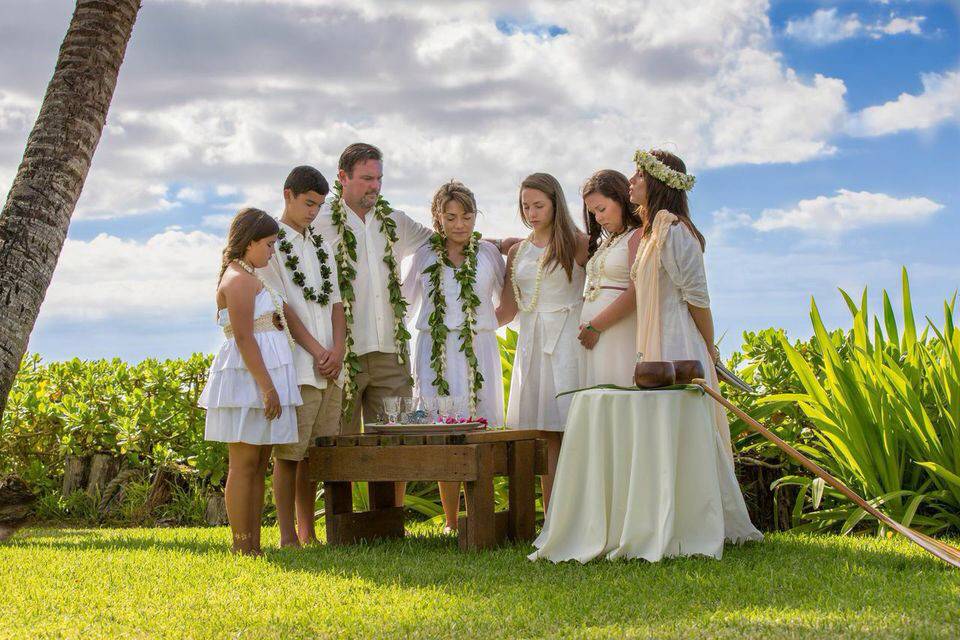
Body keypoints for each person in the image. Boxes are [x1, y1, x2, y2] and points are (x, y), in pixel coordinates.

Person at [628, 148, 761, 541]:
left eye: (638, 175)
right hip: (655, 342)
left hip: (678, 342)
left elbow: (697, 297)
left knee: (684, 429)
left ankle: (697, 519)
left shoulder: (676, 232)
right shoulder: (652, 232)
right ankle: (664, 516)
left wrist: (709, 348)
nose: (631, 182)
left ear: (656, 182)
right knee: (660, 429)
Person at [199, 207, 330, 555]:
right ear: (251, 242)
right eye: (269, 245)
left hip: (264, 374)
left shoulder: (253, 275)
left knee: (259, 463)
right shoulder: (238, 280)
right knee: (243, 463)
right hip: (248, 379)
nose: (273, 252)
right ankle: (241, 544)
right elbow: (244, 337)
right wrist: (267, 387)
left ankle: (253, 542)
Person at [312, 143, 434, 505]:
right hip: (342, 353)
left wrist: (497, 244)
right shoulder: (319, 224)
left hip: (390, 351)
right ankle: (341, 521)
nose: (375, 186)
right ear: (342, 178)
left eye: (379, 178)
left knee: (395, 440)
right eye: (367, 178)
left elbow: (443, 242)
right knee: (339, 441)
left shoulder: (395, 221)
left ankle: (390, 522)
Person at [404, 180, 505, 531]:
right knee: (444, 429)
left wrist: (483, 327)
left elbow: (509, 302)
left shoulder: (490, 254)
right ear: (438, 218)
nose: (460, 224)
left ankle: (479, 518)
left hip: (478, 348)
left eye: (467, 216)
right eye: (451, 217)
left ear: (476, 216)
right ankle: (450, 521)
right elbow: (404, 301)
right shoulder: (424, 256)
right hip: (436, 352)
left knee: (478, 427)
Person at [258, 166, 346, 548]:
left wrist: (338, 350)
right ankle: (287, 534)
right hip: (300, 365)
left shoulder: (322, 245)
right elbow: (284, 307)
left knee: (316, 455)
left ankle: (311, 531)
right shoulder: (272, 246)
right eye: (309, 203)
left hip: (331, 367)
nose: (313, 211)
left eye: (320, 205)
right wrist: (316, 350)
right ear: (288, 195)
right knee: (290, 455)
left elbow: (338, 303)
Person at [496, 173, 589, 511]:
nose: (532, 213)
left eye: (538, 205)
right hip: (532, 342)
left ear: (555, 203)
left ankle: (581, 510)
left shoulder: (578, 243)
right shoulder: (518, 251)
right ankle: (551, 514)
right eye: (525, 206)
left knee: (571, 426)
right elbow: (507, 310)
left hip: (568, 340)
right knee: (544, 431)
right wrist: (466, 328)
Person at [577, 169, 643, 388]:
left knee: (616, 389)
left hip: (617, 331)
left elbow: (636, 292)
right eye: (593, 212)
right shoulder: (611, 241)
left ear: (621, 199)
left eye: (601, 209)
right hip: (597, 336)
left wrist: (595, 326)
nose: (598, 217)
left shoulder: (637, 235)